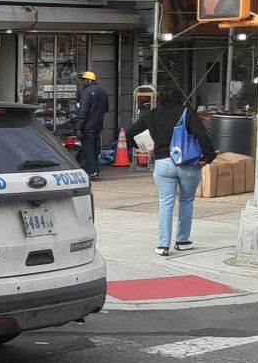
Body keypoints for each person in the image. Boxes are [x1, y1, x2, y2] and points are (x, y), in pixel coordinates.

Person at [127, 89, 217, 258]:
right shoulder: (186, 112)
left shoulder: (152, 115)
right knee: (186, 201)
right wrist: (209, 156)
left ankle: (163, 245)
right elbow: (201, 134)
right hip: (187, 163)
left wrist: (139, 147)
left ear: (160, 100)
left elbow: (130, 132)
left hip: (162, 164)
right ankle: (182, 241)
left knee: (165, 203)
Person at [74, 70, 109, 181]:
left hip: (88, 126)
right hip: (98, 125)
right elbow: (106, 108)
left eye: (84, 80)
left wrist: (78, 127)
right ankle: (93, 170)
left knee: (88, 148)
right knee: (94, 148)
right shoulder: (103, 91)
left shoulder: (86, 92)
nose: (83, 82)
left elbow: (83, 111)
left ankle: (92, 171)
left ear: (89, 80)